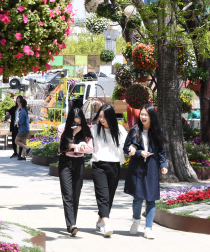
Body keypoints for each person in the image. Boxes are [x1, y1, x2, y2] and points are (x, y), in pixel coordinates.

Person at [123, 103, 167, 240]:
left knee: (151, 200)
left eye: (145, 115)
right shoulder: (134, 130)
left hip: (152, 169)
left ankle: (148, 228)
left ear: (151, 116)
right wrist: (139, 152)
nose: (143, 117)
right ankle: (136, 220)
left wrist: (163, 165)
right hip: (137, 169)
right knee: (137, 199)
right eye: (141, 114)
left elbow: (161, 151)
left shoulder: (157, 131)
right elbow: (126, 148)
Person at [91, 104, 127, 237]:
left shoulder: (120, 130)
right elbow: (88, 143)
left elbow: (127, 145)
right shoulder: (95, 129)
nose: (101, 119)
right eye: (100, 117)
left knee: (109, 196)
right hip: (98, 165)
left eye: (104, 117)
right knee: (103, 196)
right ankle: (107, 225)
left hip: (115, 166)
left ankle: (100, 220)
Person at [57, 107, 93, 236]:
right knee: (67, 193)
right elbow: (63, 145)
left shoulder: (86, 129)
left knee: (76, 194)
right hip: (65, 162)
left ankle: (72, 223)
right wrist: (73, 136)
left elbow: (90, 148)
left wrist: (76, 146)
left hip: (79, 163)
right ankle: (72, 225)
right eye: (74, 123)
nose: (76, 126)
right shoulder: (62, 128)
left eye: (78, 123)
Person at [5, 95, 23, 159]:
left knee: (20, 141)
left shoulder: (23, 108)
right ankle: (15, 152)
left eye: (19, 99)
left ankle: (20, 154)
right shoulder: (14, 108)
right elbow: (8, 111)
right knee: (14, 140)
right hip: (14, 126)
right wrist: (7, 113)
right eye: (17, 99)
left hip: (20, 127)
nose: (18, 100)